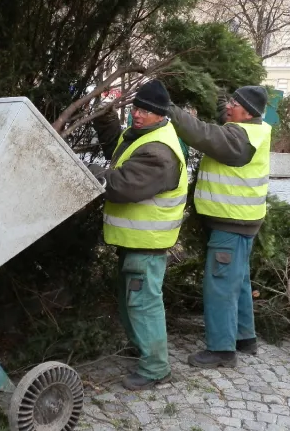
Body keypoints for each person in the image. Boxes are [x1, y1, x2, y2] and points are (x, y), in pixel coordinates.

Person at [87, 79, 188, 390]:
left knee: (143, 303)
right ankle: (142, 349)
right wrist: (104, 116)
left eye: (146, 110)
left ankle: (157, 368)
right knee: (132, 301)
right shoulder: (144, 137)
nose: (138, 114)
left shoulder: (160, 151)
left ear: (161, 114)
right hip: (134, 242)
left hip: (147, 244)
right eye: (135, 107)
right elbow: (118, 150)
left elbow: (123, 184)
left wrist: (87, 173)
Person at [167, 86, 271, 369]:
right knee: (237, 281)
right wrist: (219, 93)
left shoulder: (239, 138)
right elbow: (221, 118)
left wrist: (170, 109)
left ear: (247, 113)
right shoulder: (250, 128)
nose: (229, 108)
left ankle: (222, 351)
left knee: (220, 285)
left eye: (234, 104)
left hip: (232, 223)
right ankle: (244, 337)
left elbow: (204, 134)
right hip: (241, 221)